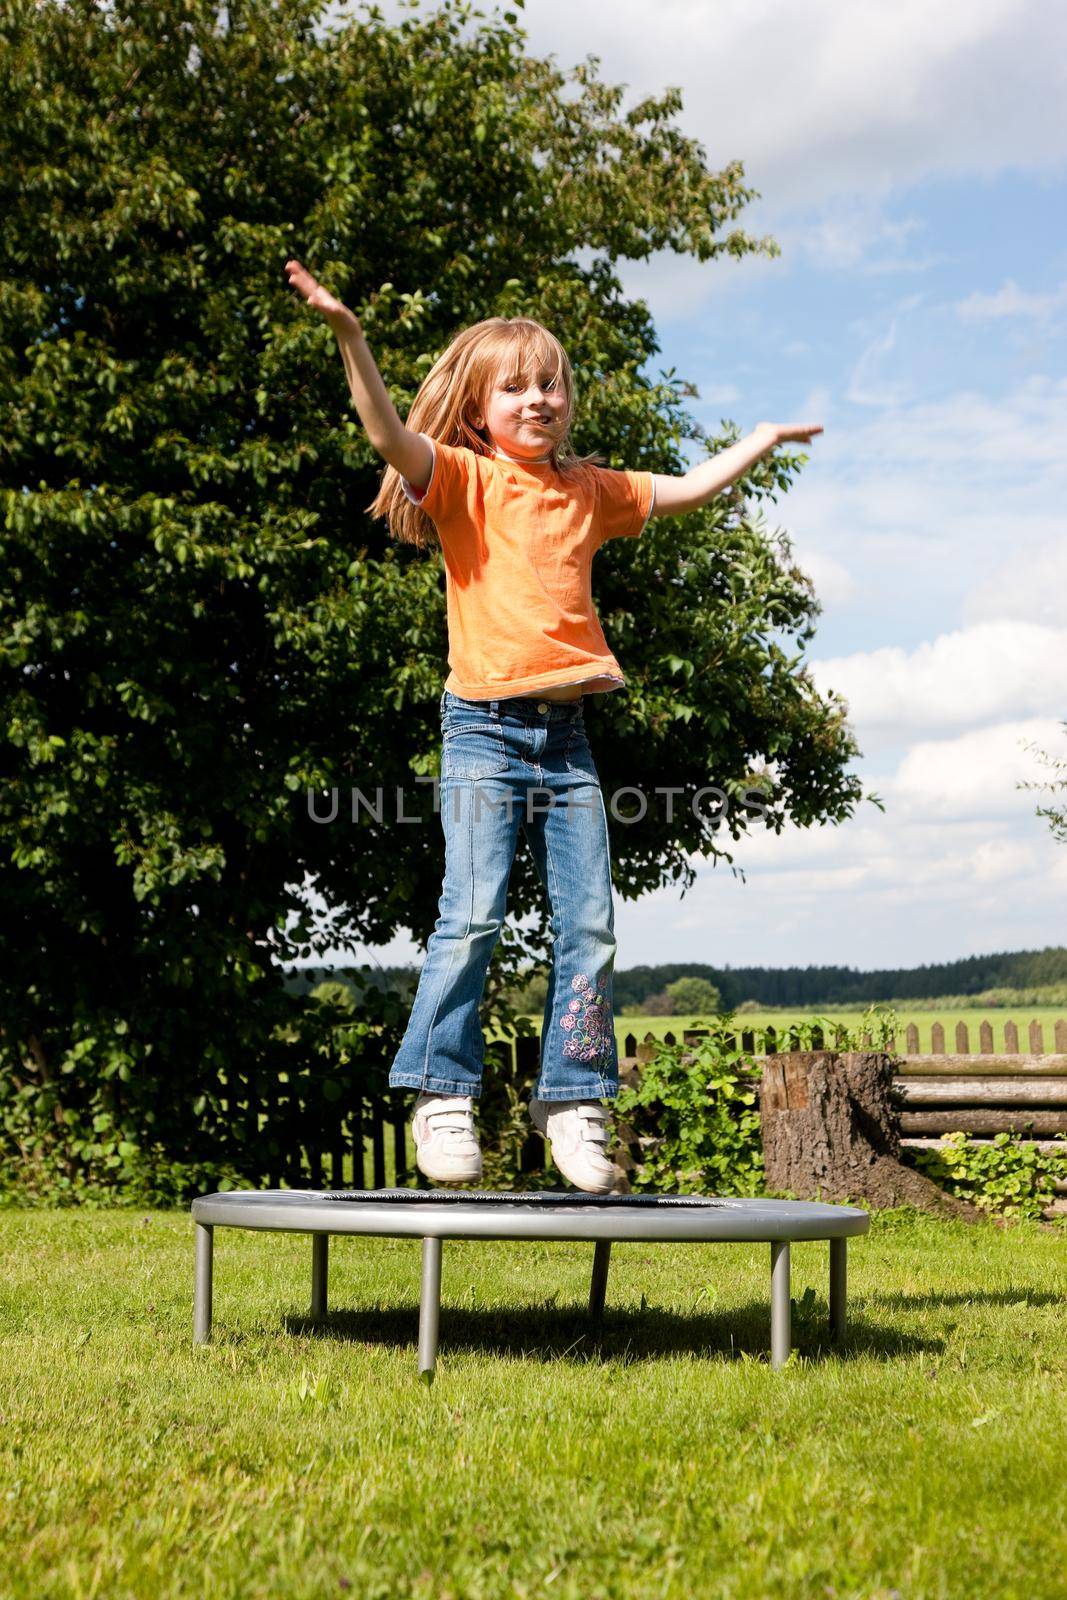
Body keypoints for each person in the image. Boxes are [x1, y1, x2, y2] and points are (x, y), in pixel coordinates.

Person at [285, 258, 822, 1191]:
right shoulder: (457, 479)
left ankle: (573, 1100)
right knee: (473, 912)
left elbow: (689, 489)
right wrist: (349, 335)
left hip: (567, 739)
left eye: (552, 386)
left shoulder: (590, 489)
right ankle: (441, 1092)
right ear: (478, 408)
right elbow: (384, 431)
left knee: (591, 926)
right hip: (484, 731)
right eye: (516, 388)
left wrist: (762, 440)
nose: (539, 400)